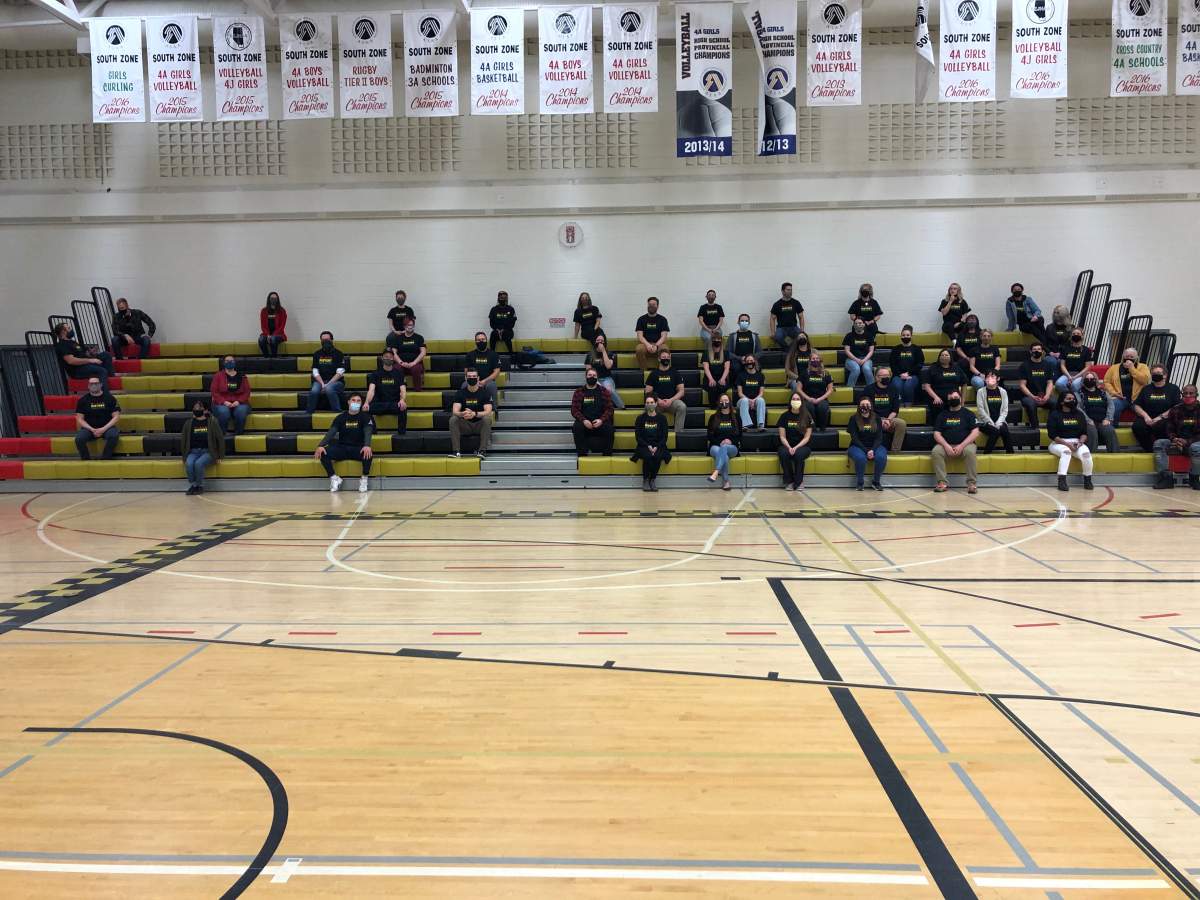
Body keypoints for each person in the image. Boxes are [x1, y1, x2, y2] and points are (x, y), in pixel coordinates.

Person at [314, 393, 375, 493]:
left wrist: (367, 445)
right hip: (342, 448)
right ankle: (334, 478)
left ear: (361, 403)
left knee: (368, 453)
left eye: (358, 401)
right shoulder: (340, 417)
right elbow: (331, 433)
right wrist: (320, 445)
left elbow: (368, 432)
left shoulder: (366, 417)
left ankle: (364, 479)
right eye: (353, 400)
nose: (356, 402)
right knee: (322, 452)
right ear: (349, 402)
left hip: (357, 449)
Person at [1153, 385, 1200, 490]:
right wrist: (1174, 439)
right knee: (1159, 443)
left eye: (1191, 393)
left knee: (1197, 448)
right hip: (1177, 441)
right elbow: (1169, 429)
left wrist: (1187, 442)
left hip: (1195, 442)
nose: (1188, 395)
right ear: (1182, 395)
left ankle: (1194, 478)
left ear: (1196, 395)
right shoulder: (1175, 410)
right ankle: (1166, 479)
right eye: (1185, 393)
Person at [932, 391, 980, 494]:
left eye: (956, 397)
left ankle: (972, 484)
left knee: (970, 452)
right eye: (951, 398)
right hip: (946, 445)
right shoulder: (942, 415)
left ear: (960, 398)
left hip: (966, 444)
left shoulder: (968, 414)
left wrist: (962, 446)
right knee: (936, 451)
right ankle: (942, 483)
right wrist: (946, 446)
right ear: (948, 401)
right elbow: (936, 434)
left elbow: (975, 432)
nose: (954, 399)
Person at [1047, 392, 1094, 492]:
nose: (1072, 400)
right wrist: (1068, 444)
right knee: (1066, 452)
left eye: (1073, 399)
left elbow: (1084, 433)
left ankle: (1087, 479)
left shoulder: (1079, 414)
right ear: (1062, 402)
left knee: (1086, 454)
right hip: (1058, 443)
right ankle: (1062, 480)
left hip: (1077, 442)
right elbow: (1052, 435)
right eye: (1069, 399)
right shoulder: (1054, 415)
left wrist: (1080, 443)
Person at [1133, 366, 1181, 452]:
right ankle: (1149, 450)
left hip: (1165, 418)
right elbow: (1137, 405)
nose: (1155, 375)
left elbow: (1176, 406)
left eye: (1158, 373)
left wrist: (1160, 417)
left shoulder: (1173, 389)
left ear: (1165, 375)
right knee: (1137, 426)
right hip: (1148, 417)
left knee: (1163, 426)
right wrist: (1146, 416)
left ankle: (1162, 449)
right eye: (1153, 373)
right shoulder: (1146, 389)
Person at [448, 367, 493, 458]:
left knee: (487, 419)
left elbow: (488, 411)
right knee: (453, 419)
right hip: (466, 424)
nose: (472, 378)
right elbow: (455, 411)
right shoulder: (460, 393)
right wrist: (463, 414)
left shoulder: (485, 393)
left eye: (474, 376)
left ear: (478, 378)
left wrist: (474, 414)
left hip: (479, 425)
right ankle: (456, 451)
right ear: (465, 378)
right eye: (469, 376)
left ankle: (482, 451)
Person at [181, 400, 223, 495]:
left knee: (198, 464)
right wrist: (184, 456)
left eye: (199, 408)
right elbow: (183, 440)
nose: (197, 410)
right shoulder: (188, 423)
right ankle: (194, 485)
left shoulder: (212, 422)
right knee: (189, 464)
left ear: (205, 410)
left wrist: (220, 455)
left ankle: (199, 486)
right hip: (193, 451)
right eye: (195, 408)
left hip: (208, 452)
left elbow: (220, 438)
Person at [571, 366, 614, 456]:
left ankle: (607, 456)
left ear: (597, 377)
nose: (592, 377)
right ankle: (582, 456)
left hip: (600, 422)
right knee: (577, 427)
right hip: (585, 423)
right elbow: (574, 410)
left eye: (594, 375)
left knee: (609, 428)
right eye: (590, 375)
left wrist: (601, 420)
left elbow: (609, 409)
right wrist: (584, 420)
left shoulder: (603, 391)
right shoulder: (579, 392)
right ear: (586, 377)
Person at [74, 376, 119, 460]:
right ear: (88, 386)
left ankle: (105, 459)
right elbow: (80, 418)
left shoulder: (110, 398)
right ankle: (86, 460)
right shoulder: (82, 400)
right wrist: (92, 429)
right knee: (79, 439)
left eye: (96, 383)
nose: (93, 385)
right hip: (89, 428)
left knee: (114, 435)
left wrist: (103, 429)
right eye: (91, 384)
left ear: (101, 385)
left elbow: (116, 417)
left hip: (107, 427)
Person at [644, 349, 687, 436]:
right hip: (657, 402)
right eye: (664, 357)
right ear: (659, 359)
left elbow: (681, 391)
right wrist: (658, 400)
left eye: (668, 357)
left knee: (682, 406)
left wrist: (671, 400)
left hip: (672, 402)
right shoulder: (653, 374)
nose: (666, 359)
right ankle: (654, 434)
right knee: (648, 406)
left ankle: (678, 433)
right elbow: (648, 392)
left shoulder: (675, 372)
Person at [847, 397, 887, 491]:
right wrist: (867, 450)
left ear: (871, 406)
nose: (865, 406)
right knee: (861, 458)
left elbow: (879, 437)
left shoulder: (876, 418)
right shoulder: (853, 418)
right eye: (862, 405)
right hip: (857, 446)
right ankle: (860, 483)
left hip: (874, 446)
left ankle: (876, 482)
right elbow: (855, 438)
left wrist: (872, 449)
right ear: (859, 406)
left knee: (881, 457)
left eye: (867, 404)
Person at [776, 392, 814, 490]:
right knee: (783, 453)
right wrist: (789, 447)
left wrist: (796, 447)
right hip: (787, 444)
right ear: (790, 401)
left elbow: (807, 437)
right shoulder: (784, 416)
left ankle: (799, 482)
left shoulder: (807, 417)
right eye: (794, 399)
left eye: (798, 399)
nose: (795, 401)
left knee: (799, 454)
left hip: (803, 446)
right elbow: (782, 436)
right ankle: (789, 481)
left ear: (801, 402)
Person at [632, 397, 671, 491]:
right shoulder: (640, 418)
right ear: (645, 404)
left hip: (659, 445)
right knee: (648, 456)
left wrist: (656, 447)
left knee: (657, 456)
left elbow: (664, 437)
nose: (650, 404)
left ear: (656, 403)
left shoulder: (662, 418)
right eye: (648, 402)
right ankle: (645, 479)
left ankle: (652, 479)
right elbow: (638, 437)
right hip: (644, 445)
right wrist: (648, 446)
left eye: (652, 402)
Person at [1103, 347, 1149, 426]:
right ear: (1123, 357)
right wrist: (1114, 393)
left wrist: (1132, 369)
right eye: (1127, 356)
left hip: (1137, 399)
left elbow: (1144, 380)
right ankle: (1112, 429)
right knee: (1114, 405)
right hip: (1121, 398)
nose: (1129, 358)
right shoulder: (1114, 368)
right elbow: (1107, 382)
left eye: (1132, 357)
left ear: (1136, 358)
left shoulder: (1143, 367)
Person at [864, 367, 906, 452]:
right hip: (873, 419)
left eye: (887, 375)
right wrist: (880, 420)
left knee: (901, 423)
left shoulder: (894, 389)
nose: (885, 377)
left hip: (889, 419)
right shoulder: (868, 389)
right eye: (882, 375)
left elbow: (895, 410)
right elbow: (866, 410)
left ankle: (895, 451)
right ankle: (869, 450)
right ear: (876, 377)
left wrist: (887, 420)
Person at [1017, 341, 1056, 429]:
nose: (1037, 351)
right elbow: (1022, 385)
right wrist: (1032, 396)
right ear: (1030, 352)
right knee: (1031, 404)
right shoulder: (1024, 366)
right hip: (1028, 396)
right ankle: (1035, 427)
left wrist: (1047, 395)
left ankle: (1051, 426)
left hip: (1044, 395)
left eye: (1039, 349)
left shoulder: (1048, 365)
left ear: (1042, 352)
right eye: (1034, 349)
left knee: (1055, 402)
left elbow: (1050, 383)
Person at [365, 354, 408, 434]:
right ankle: (373, 434)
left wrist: (402, 400)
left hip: (393, 403)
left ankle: (401, 434)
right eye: (386, 356)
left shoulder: (399, 374)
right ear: (382, 358)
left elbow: (403, 390)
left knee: (403, 407)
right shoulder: (375, 374)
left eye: (391, 357)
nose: (388, 358)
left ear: (393, 359)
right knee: (365, 409)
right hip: (379, 404)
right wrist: (367, 402)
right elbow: (371, 390)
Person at [1077, 371, 1119, 453]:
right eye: (1087, 378)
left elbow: (1111, 405)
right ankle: (1091, 456)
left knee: (1110, 431)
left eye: (1092, 378)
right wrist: (1088, 420)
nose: (1089, 380)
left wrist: (1108, 419)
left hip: (1103, 420)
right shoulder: (1079, 393)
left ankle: (1115, 455)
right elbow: (1078, 408)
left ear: (1095, 380)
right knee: (1092, 432)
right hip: (1088, 422)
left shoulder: (1103, 393)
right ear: (1083, 380)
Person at [210, 355, 251, 436]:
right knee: (224, 412)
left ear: (235, 363)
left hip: (239, 402)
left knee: (241, 411)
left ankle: (239, 434)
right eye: (227, 361)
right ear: (223, 363)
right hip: (221, 403)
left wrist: (238, 401)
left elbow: (247, 392)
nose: (229, 362)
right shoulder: (218, 376)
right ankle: (222, 435)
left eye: (232, 361)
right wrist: (224, 402)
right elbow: (214, 392)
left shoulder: (242, 376)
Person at [706, 395, 741, 490]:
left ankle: (716, 472)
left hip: (732, 447)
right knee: (724, 455)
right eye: (722, 401)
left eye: (726, 400)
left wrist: (730, 441)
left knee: (725, 447)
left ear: (730, 402)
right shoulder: (713, 417)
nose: (724, 402)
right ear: (719, 403)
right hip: (715, 446)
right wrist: (720, 442)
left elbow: (740, 436)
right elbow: (709, 436)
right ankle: (726, 481)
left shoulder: (736, 417)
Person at [922, 349, 965, 425]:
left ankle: (954, 427)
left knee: (956, 405)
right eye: (942, 355)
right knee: (937, 405)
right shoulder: (933, 368)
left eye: (946, 355)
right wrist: (935, 397)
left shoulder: (956, 368)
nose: (944, 357)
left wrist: (962, 401)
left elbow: (964, 384)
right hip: (937, 397)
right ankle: (939, 427)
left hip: (953, 396)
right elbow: (926, 386)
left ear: (950, 357)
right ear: (939, 357)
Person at [307, 331, 346, 413]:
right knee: (314, 391)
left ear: (332, 340)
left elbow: (340, 373)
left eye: (327, 339)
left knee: (329, 389)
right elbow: (315, 371)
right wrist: (322, 384)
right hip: (319, 381)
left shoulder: (339, 354)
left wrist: (328, 384)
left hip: (336, 382)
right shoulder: (317, 354)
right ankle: (309, 413)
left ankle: (337, 412)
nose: (325, 342)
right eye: (323, 340)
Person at [976, 370, 1012, 454]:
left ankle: (1010, 454)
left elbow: (1005, 410)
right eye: (987, 377)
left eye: (992, 376)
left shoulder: (1003, 392)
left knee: (1004, 430)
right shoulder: (980, 392)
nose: (989, 379)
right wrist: (991, 422)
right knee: (995, 431)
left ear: (998, 378)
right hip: (984, 422)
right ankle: (986, 454)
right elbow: (981, 410)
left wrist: (998, 423)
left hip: (999, 421)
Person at [888, 326, 925, 406]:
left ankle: (908, 406)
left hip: (913, 375)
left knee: (908, 385)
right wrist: (901, 374)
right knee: (897, 385)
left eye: (907, 335)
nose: (905, 337)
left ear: (911, 336)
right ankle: (899, 405)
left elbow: (919, 364)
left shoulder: (917, 349)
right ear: (901, 336)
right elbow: (892, 364)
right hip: (898, 375)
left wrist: (908, 374)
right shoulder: (895, 349)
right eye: (904, 335)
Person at [387, 317, 426, 390]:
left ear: (414, 326)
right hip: (401, 363)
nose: (410, 327)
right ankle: (399, 390)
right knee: (396, 368)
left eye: (411, 325)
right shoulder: (398, 338)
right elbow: (394, 353)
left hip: (415, 364)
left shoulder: (419, 338)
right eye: (408, 325)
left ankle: (417, 390)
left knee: (416, 369)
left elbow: (423, 352)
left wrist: (414, 363)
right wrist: (401, 362)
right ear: (404, 326)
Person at [467, 331, 502, 411]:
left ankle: (493, 409)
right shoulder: (470, 355)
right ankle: (468, 409)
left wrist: (485, 381)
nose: (481, 341)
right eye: (478, 340)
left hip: (488, 380)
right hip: (473, 379)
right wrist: (475, 381)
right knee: (464, 385)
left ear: (486, 340)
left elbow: (496, 371)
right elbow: (466, 371)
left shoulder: (494, 354)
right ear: (475, 342)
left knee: (491, 386)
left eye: (483, 339)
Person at [586, 334, 623, 410]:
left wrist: (603, 351)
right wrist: (595, 381)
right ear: (595, 342)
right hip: (594, 378)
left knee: (609, 390)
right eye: (598, 340)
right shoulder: (590, 355)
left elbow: (608, 366)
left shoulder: (610, 354)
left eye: (602, 341)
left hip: (606, 378)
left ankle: (621, 406)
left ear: (605, 342)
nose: (600, 342)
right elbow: (588, 371)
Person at [798, 351, 834, 431]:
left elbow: (830, 389)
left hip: (822, 399)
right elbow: (798, 389)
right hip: (807, 399)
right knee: (809, 407)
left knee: (822, 407)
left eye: (817, 358)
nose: (815, 360)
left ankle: (822, 429)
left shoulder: (826, 373)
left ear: (820, 360)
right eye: (813, 358)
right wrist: (808, 398)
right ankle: (812, 429)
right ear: (810, 360)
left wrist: (820, 399)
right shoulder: (804, 373)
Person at [634, 297, 670, 370]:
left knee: (665, 349)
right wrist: (648, 345)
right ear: (647, 305)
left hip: (659, 344)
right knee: (639, 349)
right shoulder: (641, 319)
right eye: (650, 304)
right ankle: (644, 372)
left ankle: (663, 371)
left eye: (654, 304)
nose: (651, 306)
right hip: (645, 344)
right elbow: (640, 336)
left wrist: (656, 345)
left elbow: (664, 336)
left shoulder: (663, 319)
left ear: (657, 306)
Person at [1055, 327, 1093, 395]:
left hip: (1081, 375)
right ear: (1071, 336)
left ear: (1082, 336)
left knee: (1074, 385)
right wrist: (1069, 377)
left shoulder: (1086, 350)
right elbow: (1062, 365)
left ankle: (1076, 400)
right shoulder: (1065, 349)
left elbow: (1088, 367)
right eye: (1074, 333)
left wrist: (1075, 377)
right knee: (1059, 384)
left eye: (1078, 333)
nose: (1076, 335)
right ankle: (1069, 396)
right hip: (1067, 374)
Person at [842, 317, 876, 389]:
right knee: (856, 369)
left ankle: (872, 390)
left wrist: (864, 360)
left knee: (866, 368)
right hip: (851, 359)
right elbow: (847, 350)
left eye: (860, 323)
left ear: (864, 324)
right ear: (854, 325)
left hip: (866, 359)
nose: (858, 325)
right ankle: (849, 390)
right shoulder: (849, 336)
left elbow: (871, 351)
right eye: (856, 323)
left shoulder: (869, 336)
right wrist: (856, 359)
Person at [736, 355, 767, 431]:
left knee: (761, 400)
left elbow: (761, 393)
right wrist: (749, 400)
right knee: (744, 400)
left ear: (755, 362)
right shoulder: (741, 375)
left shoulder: (760, 376)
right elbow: (740, 393)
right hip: (743, 401)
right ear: (745, 363)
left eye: (751, 360)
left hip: (755, 400)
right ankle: (745, 425)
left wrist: (753, 401)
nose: (750, 362)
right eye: (748, 361)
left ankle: (760, 425)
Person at [701, 333, 731, 408]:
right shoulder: (706, 353)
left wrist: (723, 379)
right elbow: (706, 368)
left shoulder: (726, 353)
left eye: (718, 339)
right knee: (712, 387)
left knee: (722, 387)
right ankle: (713, 408)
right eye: (714, 339)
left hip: (722, 377)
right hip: (709, 378)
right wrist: (711, 379)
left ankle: (722, 407)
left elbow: (727, 368)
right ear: (711, 341)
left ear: (721, 341)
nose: (716, 341)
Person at [770, 283, 804, 348]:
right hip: (781, 328)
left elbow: (801, 317)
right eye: (788, 290)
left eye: (791, 290)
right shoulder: (777, 304)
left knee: (802, 337)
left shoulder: (796, 303)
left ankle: (789, 348)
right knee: (778, 337)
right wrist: (772, 332)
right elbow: (772, 318)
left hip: (793, 327)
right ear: (782, 291)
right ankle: (791, 347)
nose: (790, 291)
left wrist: (802, 329)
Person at [729, 314, 761, 380]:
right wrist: (740, 358)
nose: (744, 322)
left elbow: (760, 352)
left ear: (749, 322)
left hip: (751, 359)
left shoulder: (754, 336)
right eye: (742, 321)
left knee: (757, 367)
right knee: (736, 367)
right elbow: (728, 352)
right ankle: (736, 387)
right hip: (737, 360)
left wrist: (750, 359)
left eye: (746, 321)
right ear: (738, 322)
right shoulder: (733, 336)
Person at [259, 292, 287, 357]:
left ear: (277, 300)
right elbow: (263, 326)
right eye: (272, 298)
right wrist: (268, 335)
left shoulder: (282, 311)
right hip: (267, 334)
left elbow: (282, 327)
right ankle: (266, 357)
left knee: (273, 339)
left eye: (275, 298)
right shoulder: (264, 311)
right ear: (269, 299)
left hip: (279, 335)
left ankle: (274, 358)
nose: (273, 299)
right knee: (261, 339)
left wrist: (273, 335)